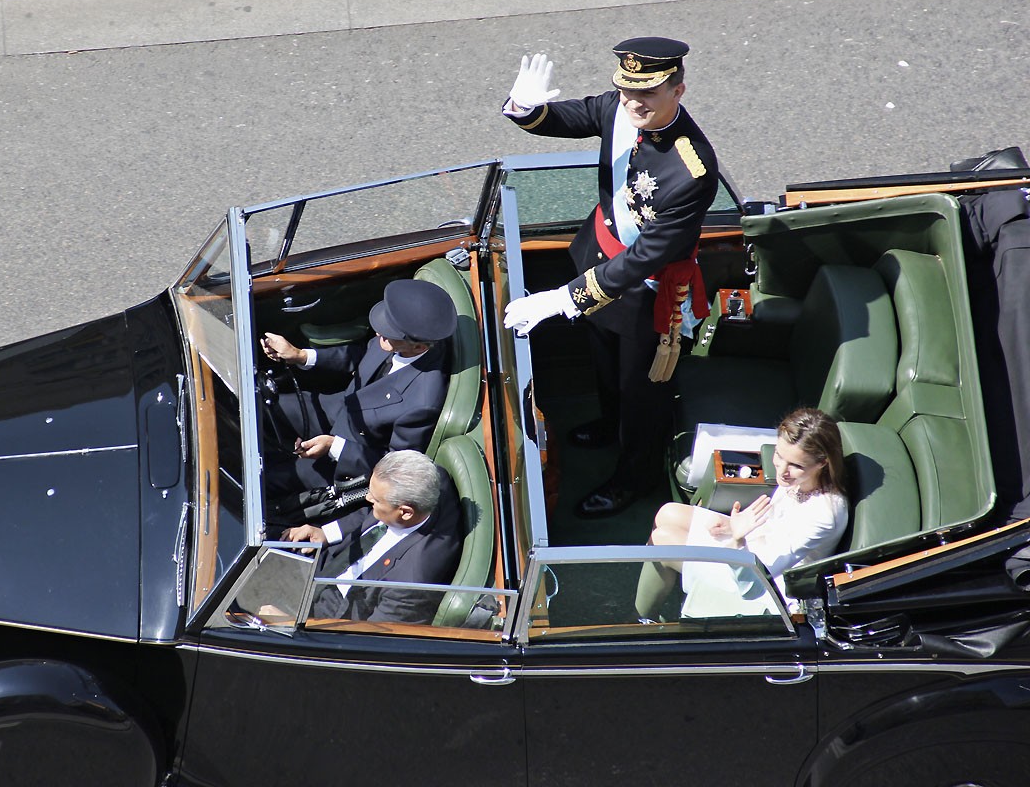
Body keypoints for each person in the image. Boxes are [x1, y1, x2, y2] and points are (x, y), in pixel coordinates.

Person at [501, 38, 720, 518]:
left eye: (649, 94)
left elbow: (645, 256)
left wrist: (564, 299)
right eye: (626, 92)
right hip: (596, 258)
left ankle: (632, 477)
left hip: (644, 294)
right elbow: (564, 119)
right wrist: (524, 106)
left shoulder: (691, 169)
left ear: (678, 90)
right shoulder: (620, 109)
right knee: (604, 365)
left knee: (642, 393)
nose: (634, 103)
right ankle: (607, 423)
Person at [634, 407, 849, 618]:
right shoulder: (799, 479)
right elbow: (772, 523)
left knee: (663, 539)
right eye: (778, 455)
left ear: (822, 462)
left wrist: (737, 539)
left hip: (761, 583)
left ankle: (639, 622)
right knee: (668, 513)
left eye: (795, 465)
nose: (781, 470)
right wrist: (731, 526)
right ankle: (662, 588)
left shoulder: (822, 515)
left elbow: (755, 584)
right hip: (751, 545)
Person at [259, 279, 456, 496]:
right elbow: (361, 356)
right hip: (336, 409)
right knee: (263, 406)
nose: (379, 332)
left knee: (270, 480)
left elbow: (394, 466)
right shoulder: (400, 339)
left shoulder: (423, 402)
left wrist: (334, 447)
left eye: (388, 334)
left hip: (346, 457)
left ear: (418, 346)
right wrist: (300, 355)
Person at [283, 449, 463, 624]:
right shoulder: (434, 481)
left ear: (405, 512)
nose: (368, 498)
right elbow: (372, 516)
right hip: (333, 561)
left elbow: (373, 636)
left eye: (376, 500)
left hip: (336, 614)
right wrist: (326, 534)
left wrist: (289, 623)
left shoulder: (410, 583)